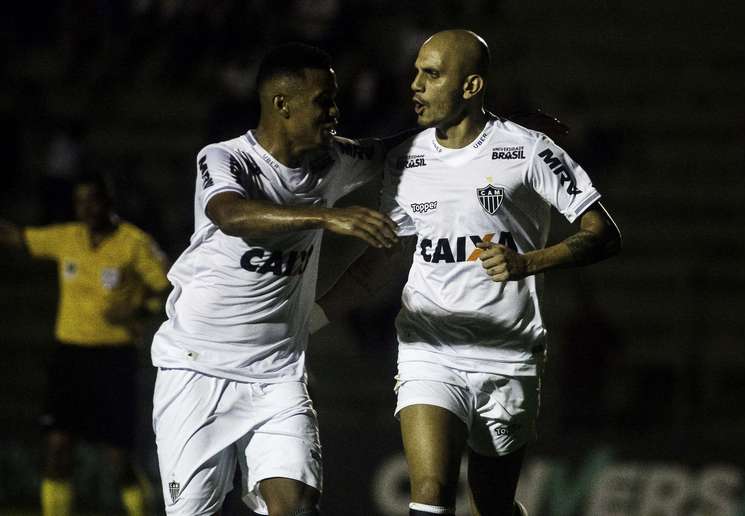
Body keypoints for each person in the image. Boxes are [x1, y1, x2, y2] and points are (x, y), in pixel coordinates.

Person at [318, 30, 622, 516]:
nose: (415, 85)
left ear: (471, 85)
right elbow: (386, 256)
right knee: (431, 494)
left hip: (507, 354)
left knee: (492, 504)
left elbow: (603, 232)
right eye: (416, 72)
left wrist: (528, 262)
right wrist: (309, 319)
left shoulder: (528, 150)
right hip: (428, 347)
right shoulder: (406, 159)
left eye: (432, 74)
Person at [149, 42, 399, 516]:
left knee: (297, 506)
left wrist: (499, 132)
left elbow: (398, 147)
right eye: (323, 100)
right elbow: (230, 214)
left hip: (277, 374)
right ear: (282, 104)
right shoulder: (226, 159)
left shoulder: (335, 161)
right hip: (197, 368)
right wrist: (325, 219)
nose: (334, 111)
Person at [0, 174, 170, 516]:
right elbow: (17, 237)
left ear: (110, 201)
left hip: (113, 359)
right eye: (80, 201)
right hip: (70, 357)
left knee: (118, 458)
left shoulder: (134, 243)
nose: (86, 208)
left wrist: (139, 308)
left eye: (93, 200)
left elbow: (168, 288)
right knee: (57, 448)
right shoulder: (67, 238)